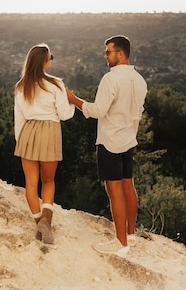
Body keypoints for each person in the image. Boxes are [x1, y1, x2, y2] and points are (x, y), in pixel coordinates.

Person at [66, 35, 147, 256]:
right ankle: (130, 234)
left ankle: (120, 243)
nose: (105, 56)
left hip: (111, 140)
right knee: (128, 185)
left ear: (120, 54)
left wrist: (74, 100)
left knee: (115, 191)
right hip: (129, 139)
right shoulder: (140, 80)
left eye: (108, 52)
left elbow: (98, 111)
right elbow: (138, 112)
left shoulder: (110, 79)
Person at [14, 43, 75, 244]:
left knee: (31, 184)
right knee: (48, 181)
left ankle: (40, 223)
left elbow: (19, 119)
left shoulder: (21, 86)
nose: (51, 60)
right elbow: (65, 115)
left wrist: (21, 142)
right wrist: (72, 102)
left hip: (28, 133)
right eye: (51, 57)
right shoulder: (55, 84)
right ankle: (46, 222)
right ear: (45, 62)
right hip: (50, 132)